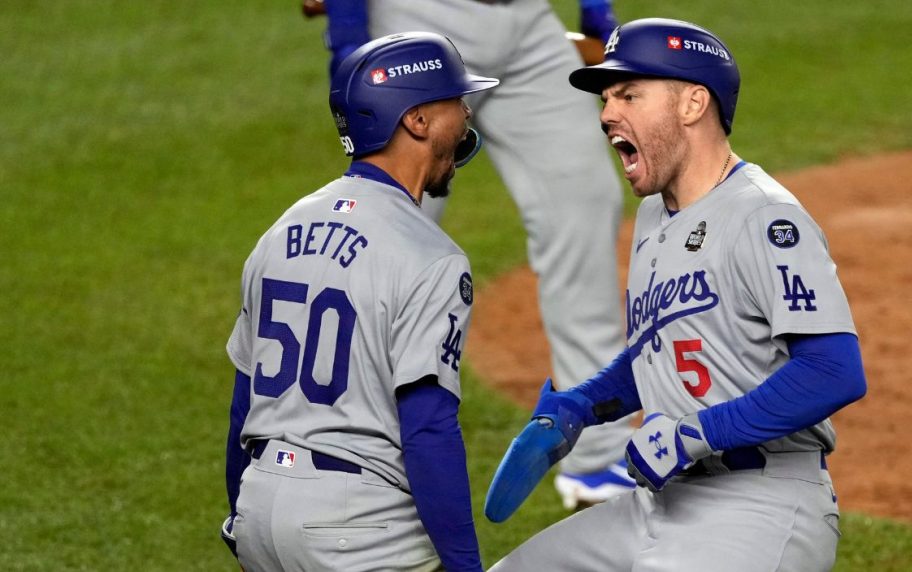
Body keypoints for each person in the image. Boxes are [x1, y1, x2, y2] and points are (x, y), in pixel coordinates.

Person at [484, 18, 868, 571]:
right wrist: (582, 406)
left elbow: (834, 371)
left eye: (629, 95)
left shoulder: (763, 215)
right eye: (607, 98)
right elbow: (667, 349)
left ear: (693, 104)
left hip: (759, 505)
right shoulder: (653, 216)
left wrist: (694, 435)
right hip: (659, 502)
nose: (607, 114)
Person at [308, 0, 638, 509]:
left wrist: (596, 10)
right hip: (419, 21)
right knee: (386, 226)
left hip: (530, 27)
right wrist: (349, 41)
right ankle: (336, 448)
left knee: (584, 200)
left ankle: (596, 454)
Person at [219, 32, 498, 571]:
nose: (466, 115)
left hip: (260, 505)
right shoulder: (431, 256)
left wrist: (247, 517)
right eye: (454, 102)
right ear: (416, 120)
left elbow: (242, 405)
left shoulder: (280, 230)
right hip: (357, 528)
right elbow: (428, 428)